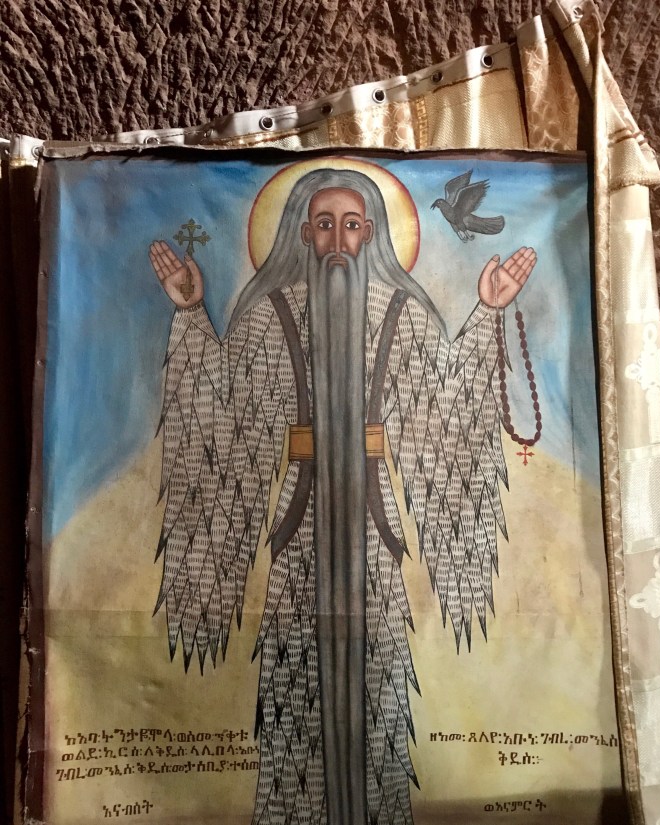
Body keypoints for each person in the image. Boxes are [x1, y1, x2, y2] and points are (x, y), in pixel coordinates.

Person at [149, 166, 535, 825]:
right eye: (324, 224)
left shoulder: (403, 312)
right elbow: (222, 410)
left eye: (351, 225)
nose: (337, 239)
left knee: (378, 677)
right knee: (294, 677)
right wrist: (189, 315)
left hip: (373, 528)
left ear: (371, 234)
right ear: (303, 232)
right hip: (298, 528)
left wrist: (487, 313)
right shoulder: (270, 312)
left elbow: (444, 406)